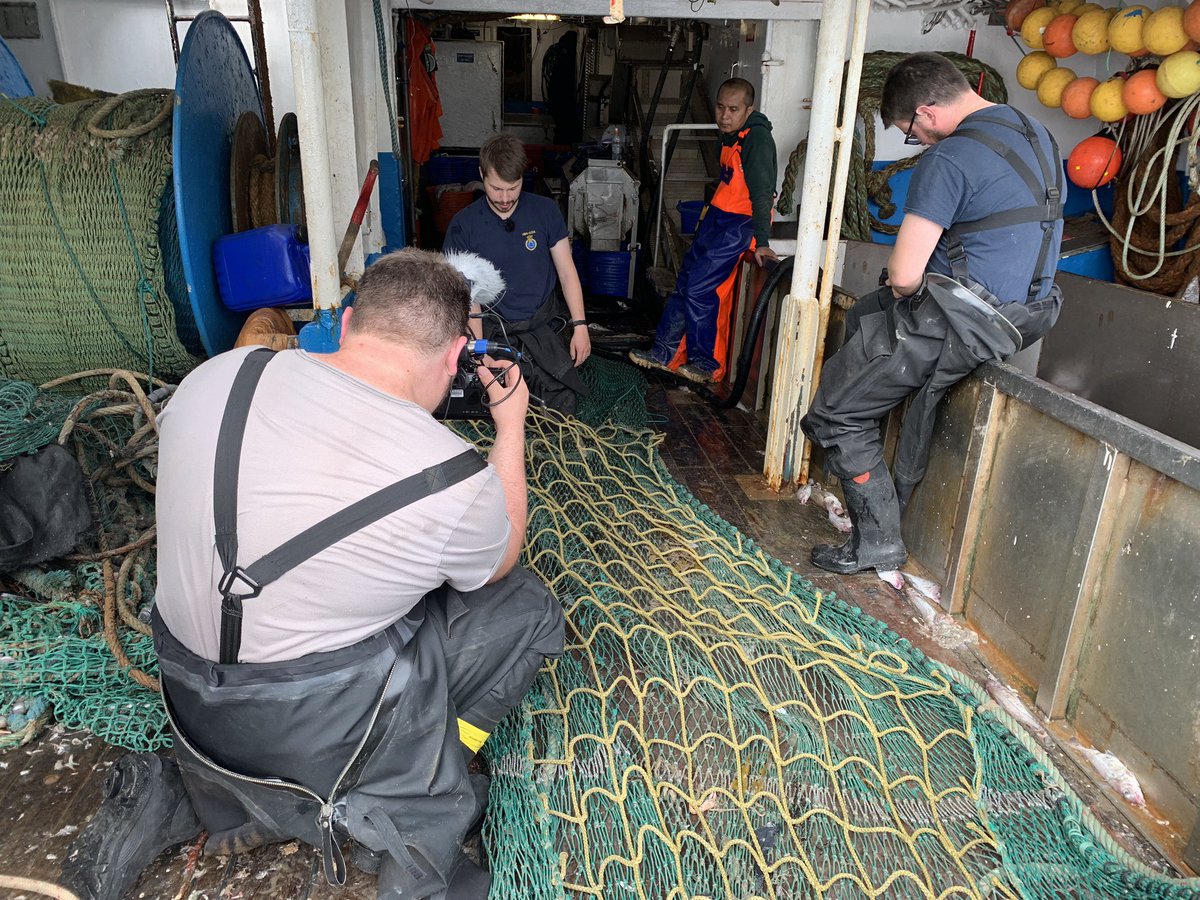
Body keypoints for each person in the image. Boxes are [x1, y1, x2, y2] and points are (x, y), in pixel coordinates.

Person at [60, 249, 565, 900]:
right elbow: (499, 565)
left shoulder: (217, 376)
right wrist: (511, 428)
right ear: (454, 360)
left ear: (350, 320)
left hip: (191, 705)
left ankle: (213, 799)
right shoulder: (453, 478)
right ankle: (418, 807)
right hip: (314, 733)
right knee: (526, 610)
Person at [801, 52, 1065, 575]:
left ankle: (876, 542)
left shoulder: (948, 159)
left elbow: (903, 276)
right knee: (868, 315)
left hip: (961, 319)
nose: (916, 142)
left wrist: (905, 281)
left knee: (834, 415)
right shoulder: (1036, 133)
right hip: (1022, 316)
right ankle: (870, 461)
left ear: (926, 113)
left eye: (909, 131)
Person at [629, 77, 778, 384]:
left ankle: (706, 363)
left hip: (739, 225)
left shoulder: (758, 141)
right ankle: (663, 353)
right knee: (684, 282)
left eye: (733, 109)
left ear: (749, 109)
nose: (724, 115)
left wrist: (762, 241)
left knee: (700, 289)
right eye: (720, 107)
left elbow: (762, 194)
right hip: (717, 217)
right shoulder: (732, 134)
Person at [443, 132, 590, 415]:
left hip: (543, 325)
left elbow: (567, 271)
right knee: (496, 402)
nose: (505, 198)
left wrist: (580, 325)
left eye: (513, 188)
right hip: (494, 327)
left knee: (559, 405)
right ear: (481, 175)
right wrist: (478, 347)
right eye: (496, 189)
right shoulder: (464, 225)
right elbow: (469, 295)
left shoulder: (545, 211)